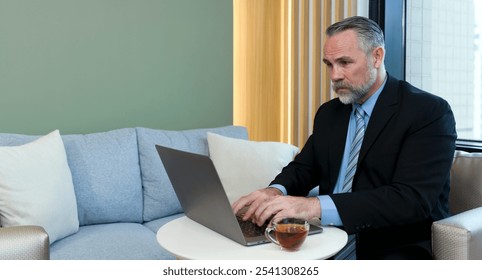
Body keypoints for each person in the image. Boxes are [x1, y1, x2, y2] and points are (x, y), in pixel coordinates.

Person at [232, 16, 457, 259]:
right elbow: (304, 168)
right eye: (329, 64)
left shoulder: (428, 111)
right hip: (324, 236)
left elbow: (411, 200)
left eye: (345, 63)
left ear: (377, 56)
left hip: (389, 246)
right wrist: (274, 191)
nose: (334, 75)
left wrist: (314, 206)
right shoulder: (330, 113)